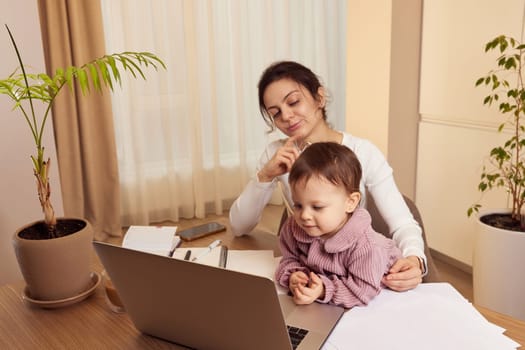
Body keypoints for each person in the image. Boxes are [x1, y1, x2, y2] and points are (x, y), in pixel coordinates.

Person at [229, 60, 426, 292]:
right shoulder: (277, 154)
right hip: (309, 270)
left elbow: (403, 222)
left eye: (294, 102)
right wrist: (265, 176)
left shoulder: (363, 152)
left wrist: (415, 259)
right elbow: (239, 227)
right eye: (276, 113)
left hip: (353, 271)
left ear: (319, 98)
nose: (287, 116)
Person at [275, 142, 402, 308]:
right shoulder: (294, 228)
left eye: (317, 207)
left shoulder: (367, 246)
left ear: (350, 202)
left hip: (380, 301)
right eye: (298, 205)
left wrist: (323, 290)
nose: (304, 216)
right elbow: (288, 259)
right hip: (327, 305)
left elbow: (362, 291)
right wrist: (294, 275)